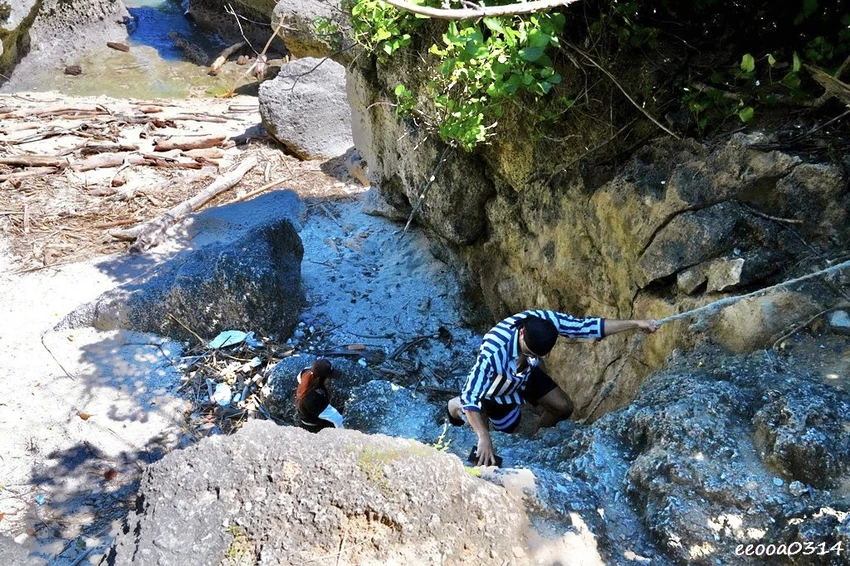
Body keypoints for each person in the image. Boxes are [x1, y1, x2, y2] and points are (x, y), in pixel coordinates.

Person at [447, 309, 657, 466]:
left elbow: (586, 327)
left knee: (563, 407)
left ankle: (534, 442)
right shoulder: (493, 351)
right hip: (494, 388)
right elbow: (472, 395)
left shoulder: (546, 321)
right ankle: (454, 406)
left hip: (525, 374)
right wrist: (484, 437)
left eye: (540, 355)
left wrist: (635, 323)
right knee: (492, 434)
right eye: (531, 352)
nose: (538, 357)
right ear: (521, 334)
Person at [295, 358, 343, 432]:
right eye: (329, 377)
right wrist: (344, 432)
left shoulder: (305, 373)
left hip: (306, 412)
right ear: (321, 379)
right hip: (312, 425)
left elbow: (299, 377)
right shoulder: (315, 398)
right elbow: (336, 418)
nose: (331, 380)